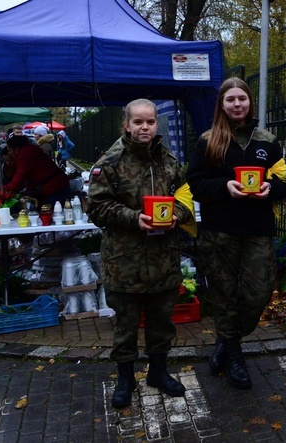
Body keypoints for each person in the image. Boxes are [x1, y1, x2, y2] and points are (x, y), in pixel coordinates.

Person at [86, 98, 194, 408]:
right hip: (126, 260)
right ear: (127, 125)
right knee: (126, 325)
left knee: (162, 322)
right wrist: (134, 218)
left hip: (163, 256)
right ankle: (125, 378)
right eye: (138, 122)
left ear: (156, 125)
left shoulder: (169, 161)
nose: (144, 127)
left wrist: (178, 214)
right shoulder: (110, 162)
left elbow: (187, 196)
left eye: (150, 122)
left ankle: (158, 372)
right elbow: (97, 208)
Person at [185, 77, 286, 390]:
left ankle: (224, 342)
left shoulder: (267, 141)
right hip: (219, 233)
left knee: (258, 293)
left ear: (249, 102)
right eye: (230, 100)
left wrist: (271, 188)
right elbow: (195, 184)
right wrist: (226, 187)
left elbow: (285, 182)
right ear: (222, 105)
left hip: (258, 230)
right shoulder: (208, 141)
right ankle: (233, 355)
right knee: (224, 295)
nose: (237, 104)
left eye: (242, 99)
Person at [2, 135, 71, 207]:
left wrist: (1, 189)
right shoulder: (31, 152)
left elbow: (16, 183)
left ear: (16, 149)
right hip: (58, 184)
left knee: (57, 213)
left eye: (9, 150)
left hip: (53, 188)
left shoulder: (25, 157)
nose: (9, 153)